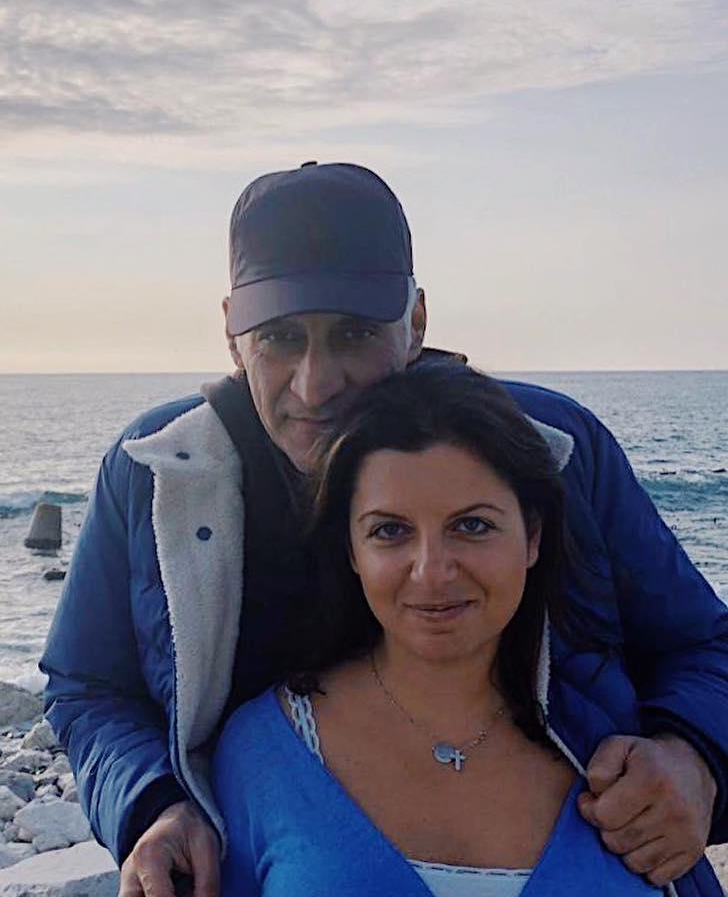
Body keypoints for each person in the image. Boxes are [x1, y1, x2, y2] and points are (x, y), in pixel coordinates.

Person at [41, 162, 728, 897]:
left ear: (417, 321)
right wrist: (150, 804)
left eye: (354, 333)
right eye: (279, 338)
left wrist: (693, 756)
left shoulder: (549, 448)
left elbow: (701, 642)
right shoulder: (159, 472)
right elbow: (88, 684)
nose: (315, 383)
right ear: (232, 333)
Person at [213, 360, 720, 895]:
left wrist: (698, 764)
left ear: (532, 537)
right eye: (390, 531)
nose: (431, 572)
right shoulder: (262, 752)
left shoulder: (623, 751)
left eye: (472, 525)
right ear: (351, 550)